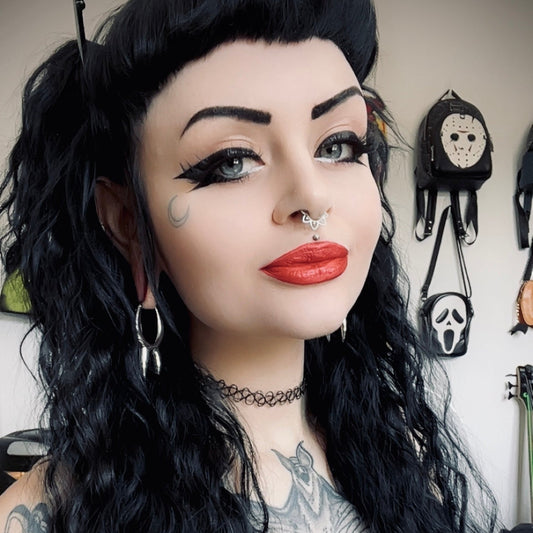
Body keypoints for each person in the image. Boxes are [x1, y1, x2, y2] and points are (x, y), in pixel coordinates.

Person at [0, 0, 499, 531]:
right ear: (129, 224)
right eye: (232, 162)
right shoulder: (48, 515)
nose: (312, 197)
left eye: (338, 146)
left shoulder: (408, 467)